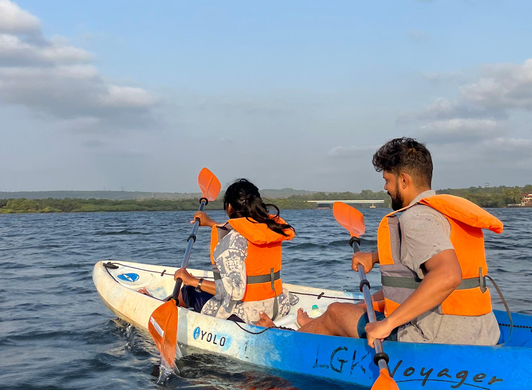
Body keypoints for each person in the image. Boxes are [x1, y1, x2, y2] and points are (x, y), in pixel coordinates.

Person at [270, 137, 503, 346]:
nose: (385, 188)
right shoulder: (447, 213)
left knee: (335, 312)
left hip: (439, 338)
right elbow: (426, 252)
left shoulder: (417, 217)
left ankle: (285, 338)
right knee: (384, 293)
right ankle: (313, 325)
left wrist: (388, 323)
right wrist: (373, 257)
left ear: (404, 180)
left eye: (387, 180)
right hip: (483, 332)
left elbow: (448, 275)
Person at [172, 178, 297, 325]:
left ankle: (165, 305)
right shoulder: (270, 228)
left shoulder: (231, 239)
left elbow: (233, 292)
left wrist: (192, 281)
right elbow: (245, 232)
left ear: (230, 206)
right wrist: (211, 223)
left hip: (248, 315)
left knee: (189, 291)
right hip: (278, 307)